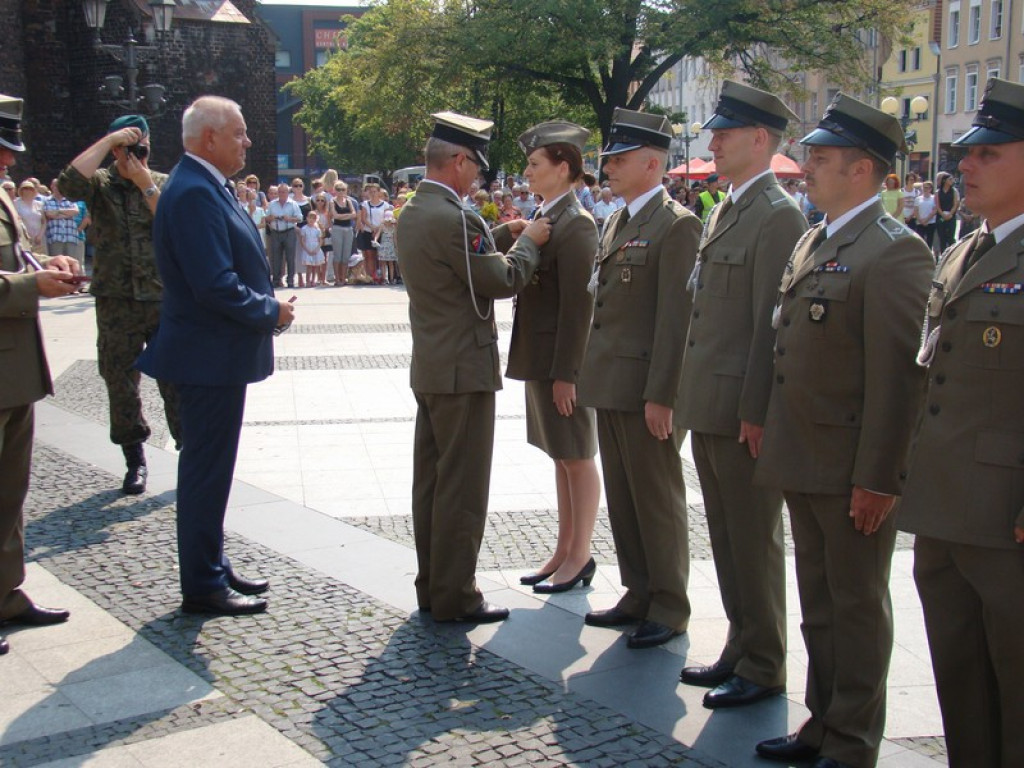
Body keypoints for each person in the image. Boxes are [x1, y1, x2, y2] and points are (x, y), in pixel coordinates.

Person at [752, 93, 933, 768]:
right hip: (805, 453)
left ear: (862, 170)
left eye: (821, 159)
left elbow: (899, 381)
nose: (806, 169)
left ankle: (853, 740)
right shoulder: (816, 238)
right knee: (819, 603)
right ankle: (822, 723)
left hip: (850, 465)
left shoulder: (895, 253)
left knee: (855, 606)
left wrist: (878, 478)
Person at [898, 77, 1024, 768]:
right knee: (961, 682)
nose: (965, 165)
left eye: (989, 154)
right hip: (944, 506)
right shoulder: (961, 251)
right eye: (967, 153)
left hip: (1005, 518)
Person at [675, 81, 808, 707]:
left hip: (739, 412)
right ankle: (740, 642)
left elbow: (768, 327)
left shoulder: (777, 215)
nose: (713, 143)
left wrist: (756, 411)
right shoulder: (727, 207)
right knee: (726, 538)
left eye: (725, 134)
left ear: (760, 140)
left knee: (753, 540)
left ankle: (764, 661)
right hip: (710, 403)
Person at [136, 96, 293, 616]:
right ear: (209, 138)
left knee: (213, 469)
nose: (247, 141)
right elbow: (214, 284)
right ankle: (202, 584)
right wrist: (270, 311)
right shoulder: (194, 192)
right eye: (239, 133)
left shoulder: (203, 185)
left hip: (214, 356)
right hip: (207, 357)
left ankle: (213, 565)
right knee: (206, 472)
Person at [395, 111, 551, 624]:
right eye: (476, 167)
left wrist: (502, 232)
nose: (478, 177)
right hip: (464, 368)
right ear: (459, 161)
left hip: (433, 367)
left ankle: (432, 586)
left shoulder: (415, 210)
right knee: (461, 489)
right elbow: (501, 280)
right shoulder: (455, 217)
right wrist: (529, 242)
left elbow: (458, 261)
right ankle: (457, 596)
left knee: (431, 484)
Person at [576, 108, 702, 649]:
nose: (609, 168)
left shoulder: (677, 225)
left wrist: (663, 395)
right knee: (625, 497)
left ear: (652, 164)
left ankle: (669, 604)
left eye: (620, 159)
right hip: (611, 381)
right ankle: (639, 590)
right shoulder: (617, 221)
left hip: (646, 388)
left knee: (656, 497)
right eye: (609, 159)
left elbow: (677, 319)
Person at [60, 114, 181, 495]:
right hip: (116, 301)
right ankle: (135, 459)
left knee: (176, 379)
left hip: (161, 298)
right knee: (120, 382)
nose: (137, 156)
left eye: (142, 148)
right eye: (129, 149)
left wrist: (144, 181)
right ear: (115, 150)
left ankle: (190, 447)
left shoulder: (161, 182)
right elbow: (67, 184)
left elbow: (175, 224)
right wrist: (106, 142)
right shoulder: (100, 183)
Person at [504, 121, 601, 594]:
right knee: (561, 457)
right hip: (541, 357)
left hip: (560, 363)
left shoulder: (576, 224)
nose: (527, 172)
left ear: (563, 168)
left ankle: (580, 554)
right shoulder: (547, 218)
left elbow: (580, 307)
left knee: (577, 456)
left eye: (535, 163)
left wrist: (569, 374)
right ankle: (564, 549)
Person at [0, 92, 79, 654]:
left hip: (14, 371)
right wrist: (33, 286)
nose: (9, 160)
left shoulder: (2, 196)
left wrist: (47, 264)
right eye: (1, 149)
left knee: (10, 493)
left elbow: (15, 259)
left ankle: (5, 593)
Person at [265, 184, 301, 288]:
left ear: (287, 193)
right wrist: (271, 218)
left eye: (284, 192)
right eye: (280, 192)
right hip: (276, 232)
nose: (281, 194)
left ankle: (290, 280)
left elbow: (300, 218)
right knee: (276, 257)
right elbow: (266, 218)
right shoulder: (272, 204)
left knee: (290, 257)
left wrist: (289, 219)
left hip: (289, 231)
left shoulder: (293, 204)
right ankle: (276, 280)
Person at [43, 179, 86, 264]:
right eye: (56, 186)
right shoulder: (46, 200)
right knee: (57, 264)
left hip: (71, 236)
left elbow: (75, 211)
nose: (58, 188)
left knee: (72, 264)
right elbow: (49, 214)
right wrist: (67, 214)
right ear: (51, 187)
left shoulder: (70, 200)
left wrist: (58, 212)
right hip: (55, 237)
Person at [359, 183, 389, 284]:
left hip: (381, 231)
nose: (372, 193)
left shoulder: (385, 205)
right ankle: (371, 277)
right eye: (370, 192)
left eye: (374, 191)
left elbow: (386, 218)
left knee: (380, 256)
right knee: (370, 255)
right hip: (369, 231)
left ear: (378, 192)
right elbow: (363, 218)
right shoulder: (365, 204)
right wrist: (372, 228)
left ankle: (382, 277)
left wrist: (378, 228)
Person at [330, 181, 357, 286]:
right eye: (338, 189)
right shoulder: (332, 201)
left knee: (346, 255)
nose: (341, 192)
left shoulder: (348, 201)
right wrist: (347, 215)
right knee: (337, 255)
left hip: (348, 228)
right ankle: (337, 279)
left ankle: (343, 278)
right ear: (335, 190)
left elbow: (354, 214)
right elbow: (335, 216)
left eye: (343, 189)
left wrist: (343, 216)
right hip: (337, 228)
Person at [934, 170, 960, 253]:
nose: (952, 181)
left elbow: (955, 204)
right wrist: (942, 215)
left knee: (951, 237)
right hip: (941, 217)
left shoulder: (954, 191)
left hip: (951, 216)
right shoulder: (938, 192)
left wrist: (950, 214)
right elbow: (937, 206)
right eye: (950, 179)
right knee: (942, 237)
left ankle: (952, 253)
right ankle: (943, 254)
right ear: (944, 180)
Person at [13, 179, 43, 249]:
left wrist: (40, 235)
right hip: (23, 237)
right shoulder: (15, 203)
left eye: (30, 188)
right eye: (25, 188)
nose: (28, 190)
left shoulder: (39, 204)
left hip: (38, 238)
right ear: (21, 190)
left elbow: (44, 222)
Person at [299, 209, 323, 288]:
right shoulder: (304, 229)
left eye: (313, 218)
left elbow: (320, 240)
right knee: (309, 266)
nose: (311, 220)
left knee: (315, 266)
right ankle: (308, 281)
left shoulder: (317, 229)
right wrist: (307, 250)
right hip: (307, 248)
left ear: (316, 219)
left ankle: (313, 280)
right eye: (310, 218)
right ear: (307, 218)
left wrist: (317, 249)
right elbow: (302, 240)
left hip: (315, 248)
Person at [914, 179, 938, 253]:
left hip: (930, 222)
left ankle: (928, 254)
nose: (925, 189)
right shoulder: (918, 199)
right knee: (920, 241)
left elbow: (934, 210)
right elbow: (916, 211)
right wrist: (921, 220)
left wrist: (926, 220)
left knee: (929, 241)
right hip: (920, 223)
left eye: (927, 188)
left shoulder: (934, 198)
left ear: (931, 189)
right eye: (924, 187)